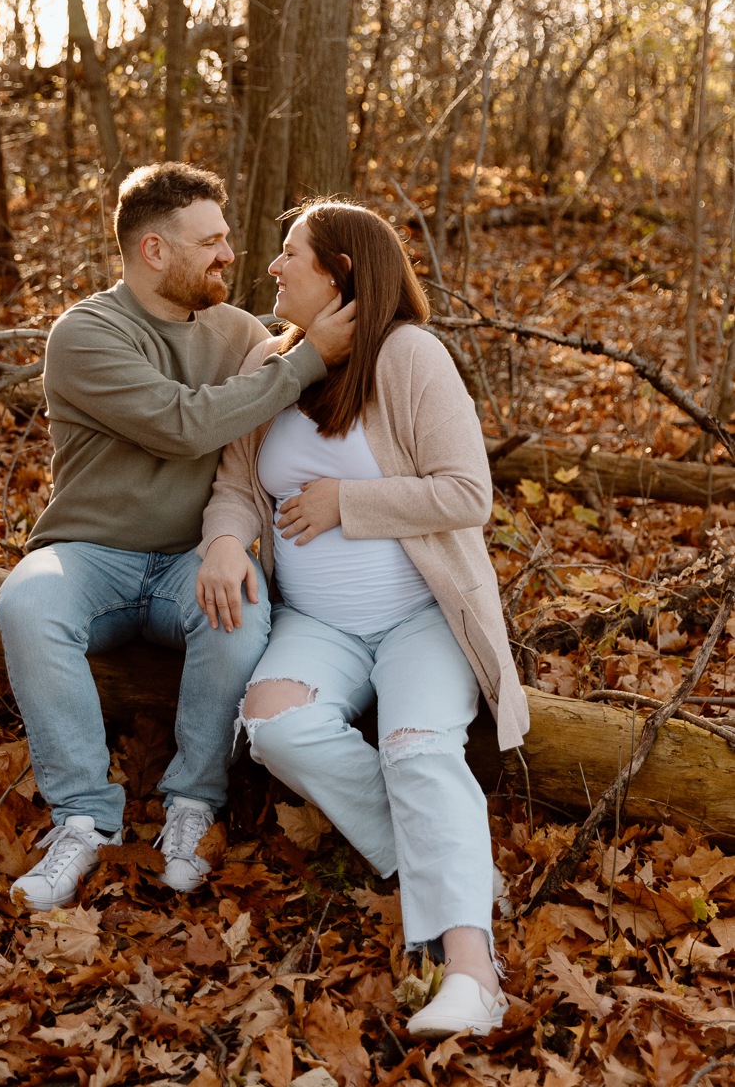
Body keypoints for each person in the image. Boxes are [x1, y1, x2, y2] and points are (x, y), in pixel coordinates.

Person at [196, 199, 529, 1039]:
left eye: (290, 254)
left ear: (341, 272)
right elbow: (236, 484)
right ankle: (442, 861)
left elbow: (467, 494)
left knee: (418, 748)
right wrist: (228, 543)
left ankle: (472, 972)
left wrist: (349, 500)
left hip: (421, 614)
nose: (272, 268)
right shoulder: (275, 365)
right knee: (273, 728)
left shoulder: (409, 356)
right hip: (318, 625)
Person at [0, 163, 354, 911]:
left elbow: (270, 442)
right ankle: (84, 820)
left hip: (191, 564)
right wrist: (306, 358)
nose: (230, 255)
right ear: (154, 251)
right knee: (27, 604)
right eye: (211, 241)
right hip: (88, 554)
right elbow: (184, 426)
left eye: (226, 238)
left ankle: (192, 804)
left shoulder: (240, 333)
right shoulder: (87, 334)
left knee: (241, 615)